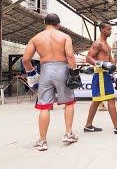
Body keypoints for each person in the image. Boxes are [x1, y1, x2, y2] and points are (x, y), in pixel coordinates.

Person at [23, 13, 81, 151]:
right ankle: (68, 134)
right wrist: (73, 74)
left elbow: (25, 60)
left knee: (44, 106)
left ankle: (42, 141)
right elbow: (70, 56)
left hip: (45, 70)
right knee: (68, 103)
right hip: (62, 69)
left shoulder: (35, 38)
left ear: (45, 23)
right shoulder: (65, 36)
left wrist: (32, 73)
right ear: (58, 25)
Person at [84, 21, 117, 134]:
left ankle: (88, 125)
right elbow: (88, 58)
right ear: (101, 29)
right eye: (108, 29)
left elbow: (111, 62)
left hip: (106, 75)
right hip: (100, 74)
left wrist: (115, 76)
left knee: (97, 101)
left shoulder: (107, 45)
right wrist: (102, 64)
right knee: (110, 99)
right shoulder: (98, 43)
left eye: (111, 29)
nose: (110, 31)